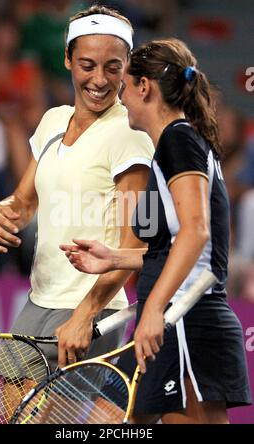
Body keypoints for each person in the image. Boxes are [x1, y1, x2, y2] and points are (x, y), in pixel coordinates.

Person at [60, 38, 252, 424]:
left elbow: (196, 233)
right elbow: (183, 245)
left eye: (125, 86)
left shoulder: (178, 140)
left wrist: (153, 309)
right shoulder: (177, 143)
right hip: (172, 320)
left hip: (184, 322)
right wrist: (115, 257)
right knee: (109, 419)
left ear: (144, 87)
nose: (121, 97)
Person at [0, 5, 154, 371]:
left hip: (92, 303)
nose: (100, 80)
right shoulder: (53, 120)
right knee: (17, 409)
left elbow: (135, 242)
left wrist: (86, 314)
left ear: (127, 66)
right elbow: (24, 202)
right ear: (67, 60)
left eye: (113, 67)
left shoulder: (131, 136)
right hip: (39, 296)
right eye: (87, 65)